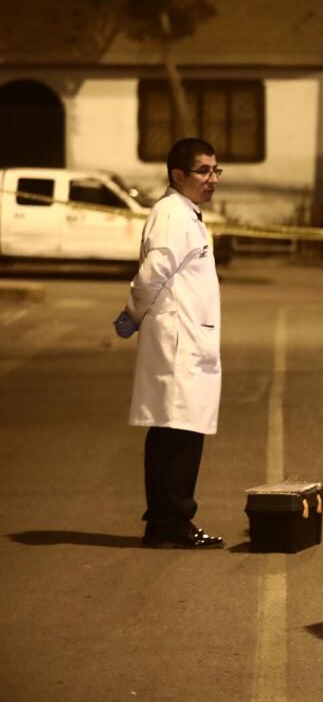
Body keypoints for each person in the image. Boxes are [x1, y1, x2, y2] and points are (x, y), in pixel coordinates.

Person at [114, 138, 225, 549]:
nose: (213, 179)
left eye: (216, 170)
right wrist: (132, 313)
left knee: (174, 431)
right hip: (180, 341)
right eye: (203, 170)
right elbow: (153, 272)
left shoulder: (185, 213)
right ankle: (173, 523)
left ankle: (165, 522)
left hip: (187, 337)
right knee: (178, 434)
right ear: (178, 175)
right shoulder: (173, 215)